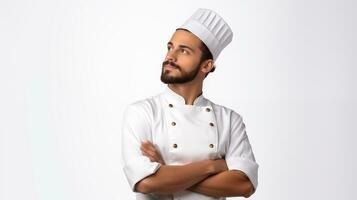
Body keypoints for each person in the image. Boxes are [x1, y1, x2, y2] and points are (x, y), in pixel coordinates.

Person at [121, 8, 259, 200]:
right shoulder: (142, 112)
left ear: (206, 66)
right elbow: (145, 182)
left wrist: (166, 171)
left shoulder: (229, 120)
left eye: (184, 51)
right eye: (170, 47)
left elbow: (244, 185)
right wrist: (212, 166)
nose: (170, 56)